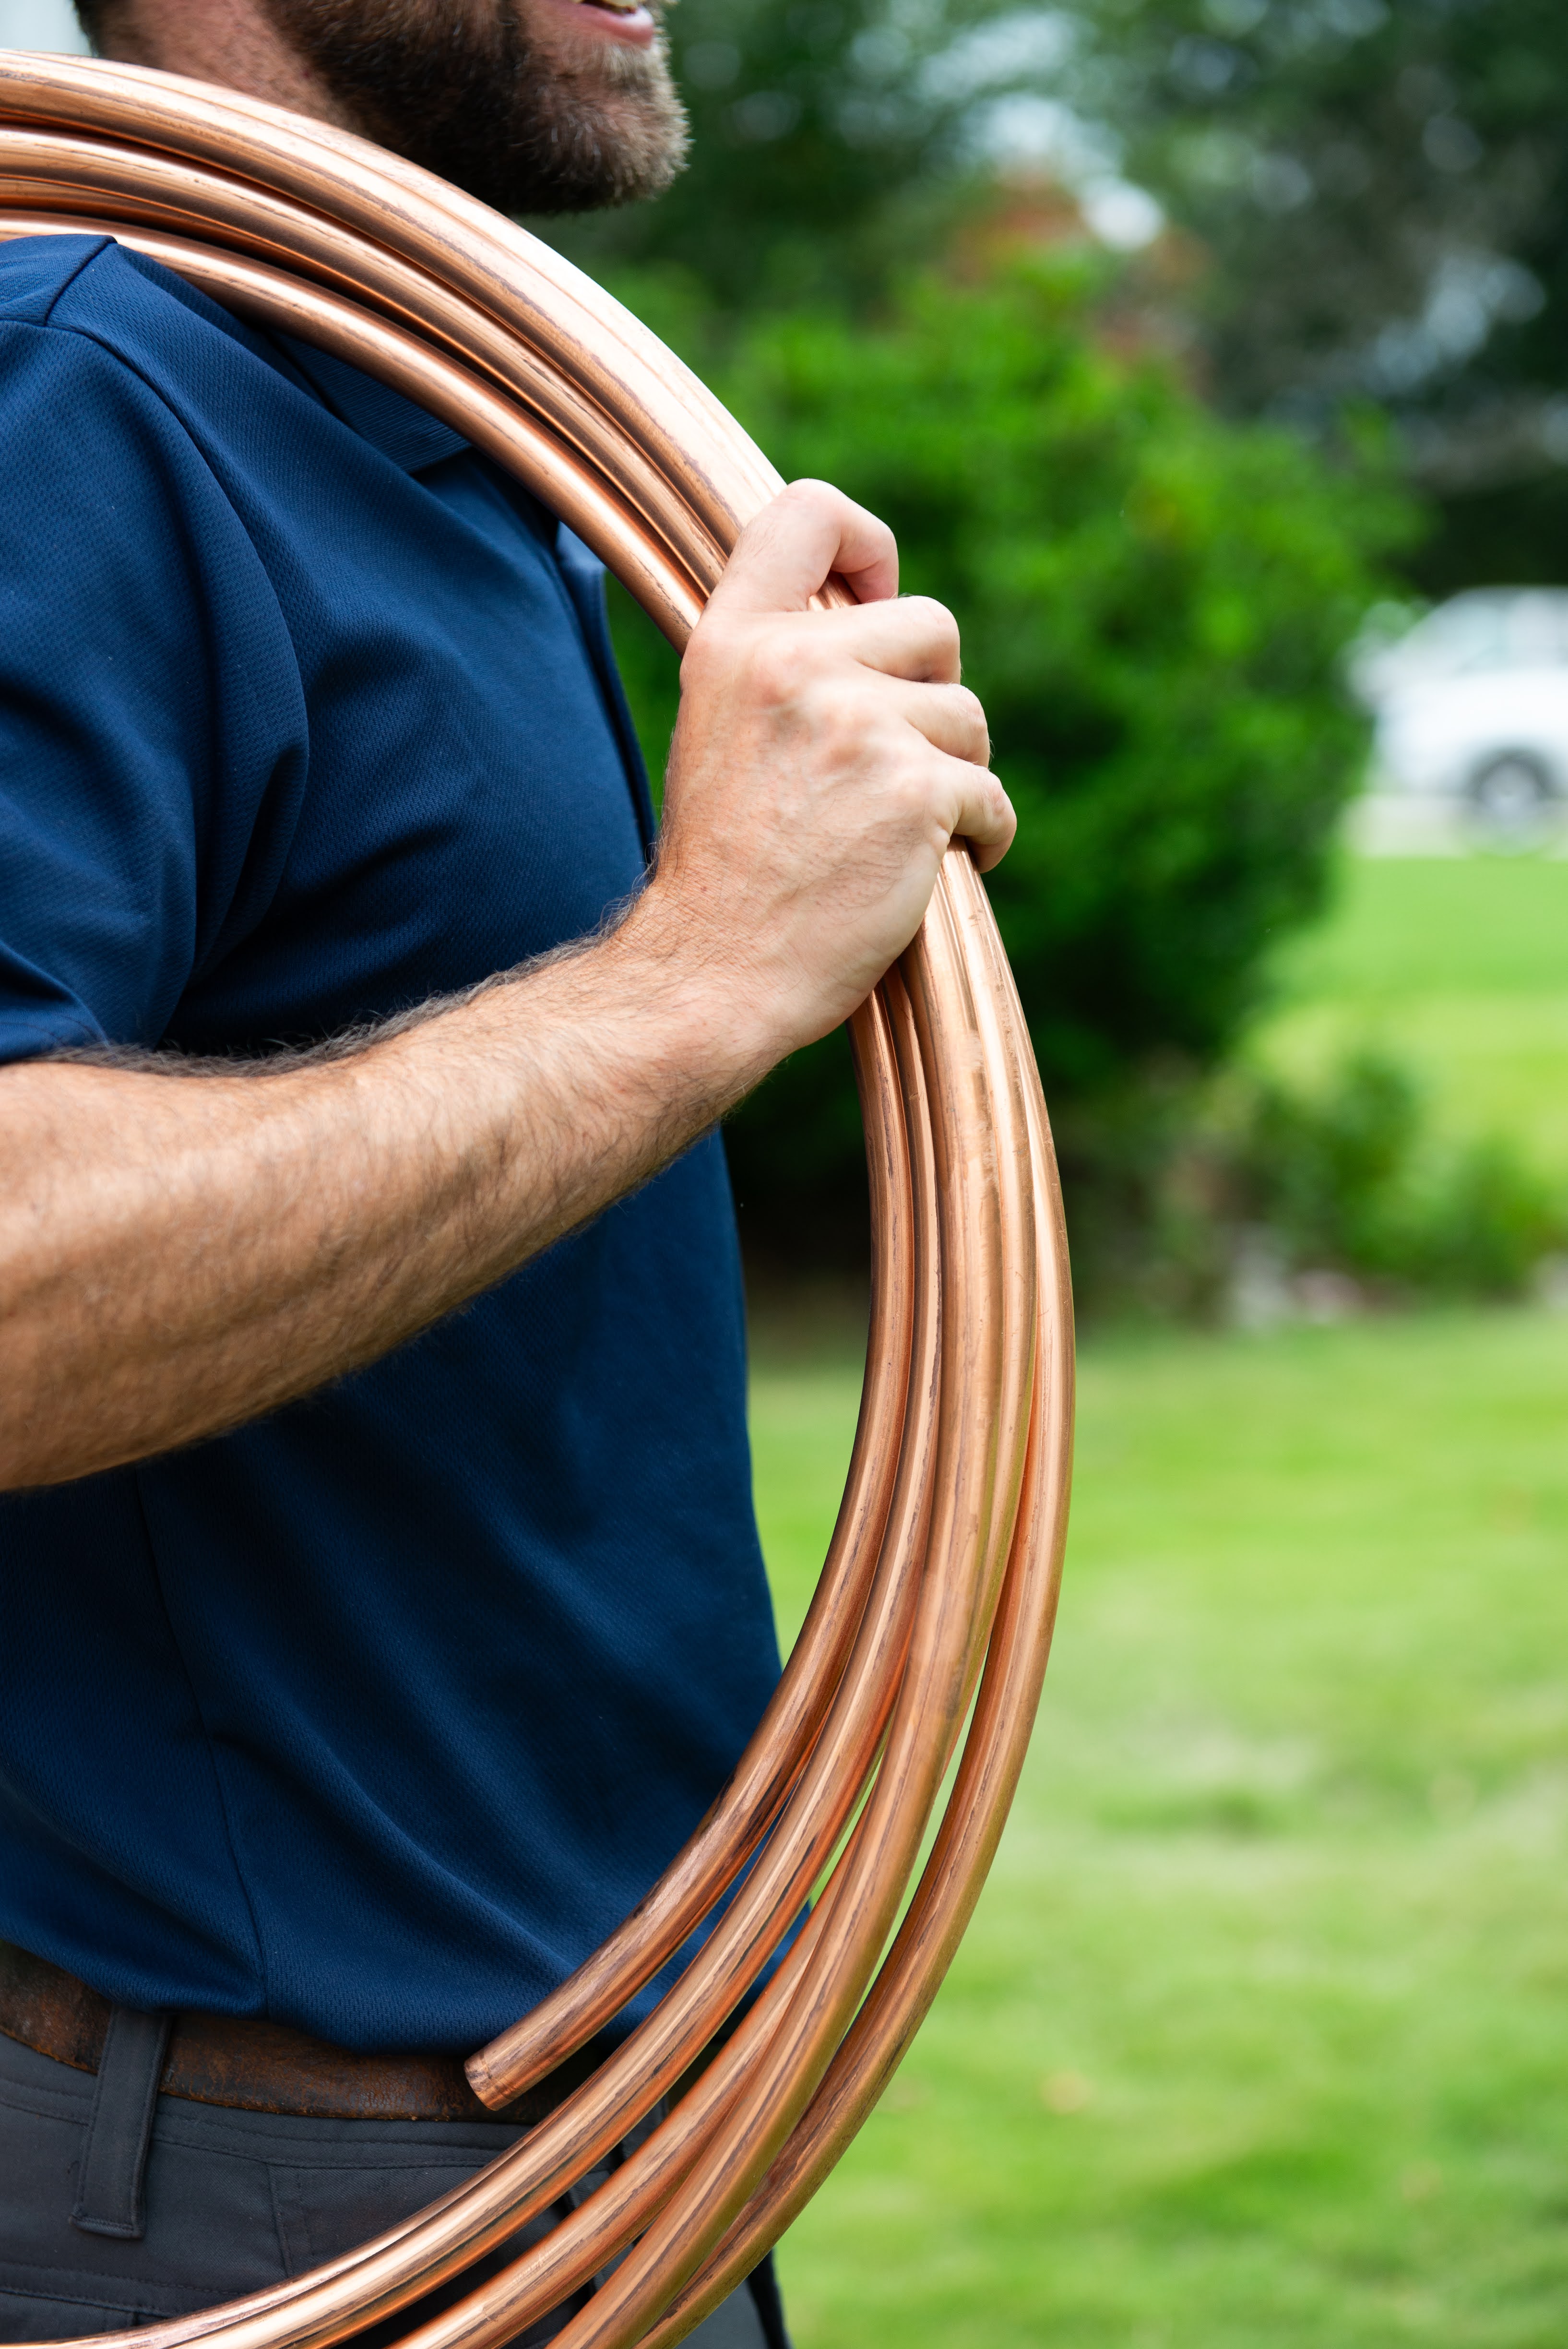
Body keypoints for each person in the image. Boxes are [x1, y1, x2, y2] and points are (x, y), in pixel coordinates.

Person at [0, 0, 1014, 2340]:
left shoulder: (453, 437)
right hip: (290, 2180)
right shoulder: (79, 400)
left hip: (606, 2118)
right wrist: (694, 976)